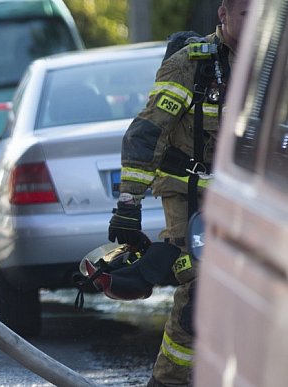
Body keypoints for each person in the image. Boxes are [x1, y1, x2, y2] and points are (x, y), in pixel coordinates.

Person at [86, 1, 251, 385]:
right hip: (191, 194)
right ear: (223, 15)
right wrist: (129, 204)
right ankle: (168, 380)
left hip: (253, 199)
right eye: (246, 14)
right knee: (199, 287)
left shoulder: (274, 65)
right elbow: (146, 134)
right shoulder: (191, 65)